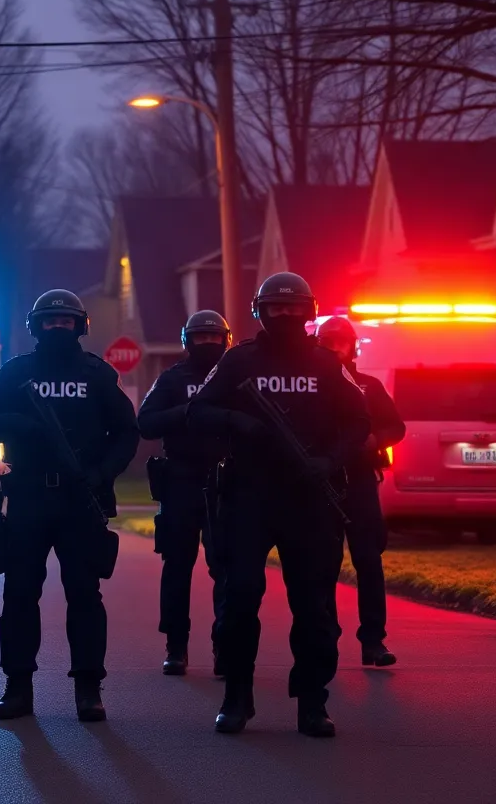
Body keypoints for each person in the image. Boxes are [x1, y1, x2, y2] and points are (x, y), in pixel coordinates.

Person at [187, 272, 369, 737]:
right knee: (241, 595)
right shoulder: (237, 361)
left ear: (308, 313)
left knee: (313, 605)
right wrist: (238, 423)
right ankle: (237, 697)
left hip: (309, 498)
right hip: (249, 494)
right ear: (259, 311)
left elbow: (359, 421)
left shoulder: (328, 364)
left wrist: (329, 460)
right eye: (275, 309)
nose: (284, 316)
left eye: (292, 309)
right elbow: (199, 410)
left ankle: (312, 702)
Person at [0, 289, 139, 722]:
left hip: (80, 500)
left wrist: (102, 473)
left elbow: (128, 432)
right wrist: (21, 425)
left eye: (65, 322)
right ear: (36, 327)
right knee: (19, 595)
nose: (57, 328)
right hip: (29, 496)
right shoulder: (16, 373)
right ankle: (17, 688)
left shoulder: (97, 375)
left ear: (79, 326)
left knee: (85, 596)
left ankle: (89, 689)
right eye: (49, 322)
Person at [137, 310, 231, 677]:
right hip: (180, 483)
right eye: (199, 338)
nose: (207, 343)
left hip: (226, 483)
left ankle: (225, 646)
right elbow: (145, 422)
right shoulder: (172, 379)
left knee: (225, 568)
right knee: (177, 566)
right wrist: (186, 412)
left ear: (226, 340)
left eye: (213, 337)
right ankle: (175, 646)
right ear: (186, 341)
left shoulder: (236, 378)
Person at [316, 316, 405, 667]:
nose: (335, 347)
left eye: (341, 341)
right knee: (324, 563)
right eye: (328, 341)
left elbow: (396, 426)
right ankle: (325, 641)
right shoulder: (312, 386)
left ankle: (373, 642)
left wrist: (375, 439)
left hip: (361, 481)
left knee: (368, 560)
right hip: (323, 482)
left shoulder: (369, 386)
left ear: (352, 345)